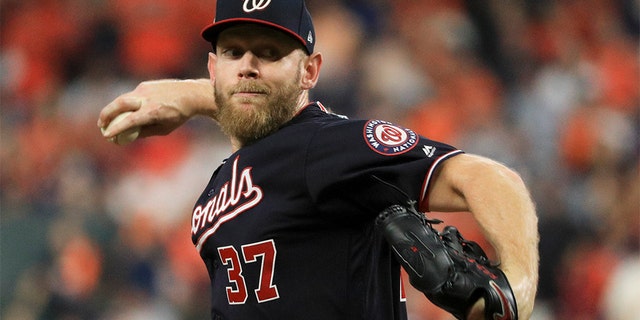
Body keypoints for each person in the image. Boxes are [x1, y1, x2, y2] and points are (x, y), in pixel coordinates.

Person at [98, 0, 539, 319]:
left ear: (310, 71)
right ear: (214, 68)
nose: (249, 65)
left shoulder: (328, 145)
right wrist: (195, 97)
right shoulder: (216, 187)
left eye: (270, 53)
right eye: (234, 52)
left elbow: (488, 178)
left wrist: (517, 286)